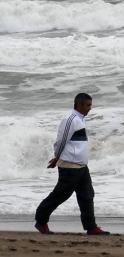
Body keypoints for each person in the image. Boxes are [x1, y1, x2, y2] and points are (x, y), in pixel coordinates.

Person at [34, 93, 110, 235]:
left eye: (90, 105)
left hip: (81, 166)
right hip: (70, 166)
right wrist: (56, 158)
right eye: (87, 105)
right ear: (78, 104)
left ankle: (91, 227)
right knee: (61, 195)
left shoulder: (80, 119)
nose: (90, 108)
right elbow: (61, 141)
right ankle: (41, 220)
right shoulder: (71, 119)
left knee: (87, 195)